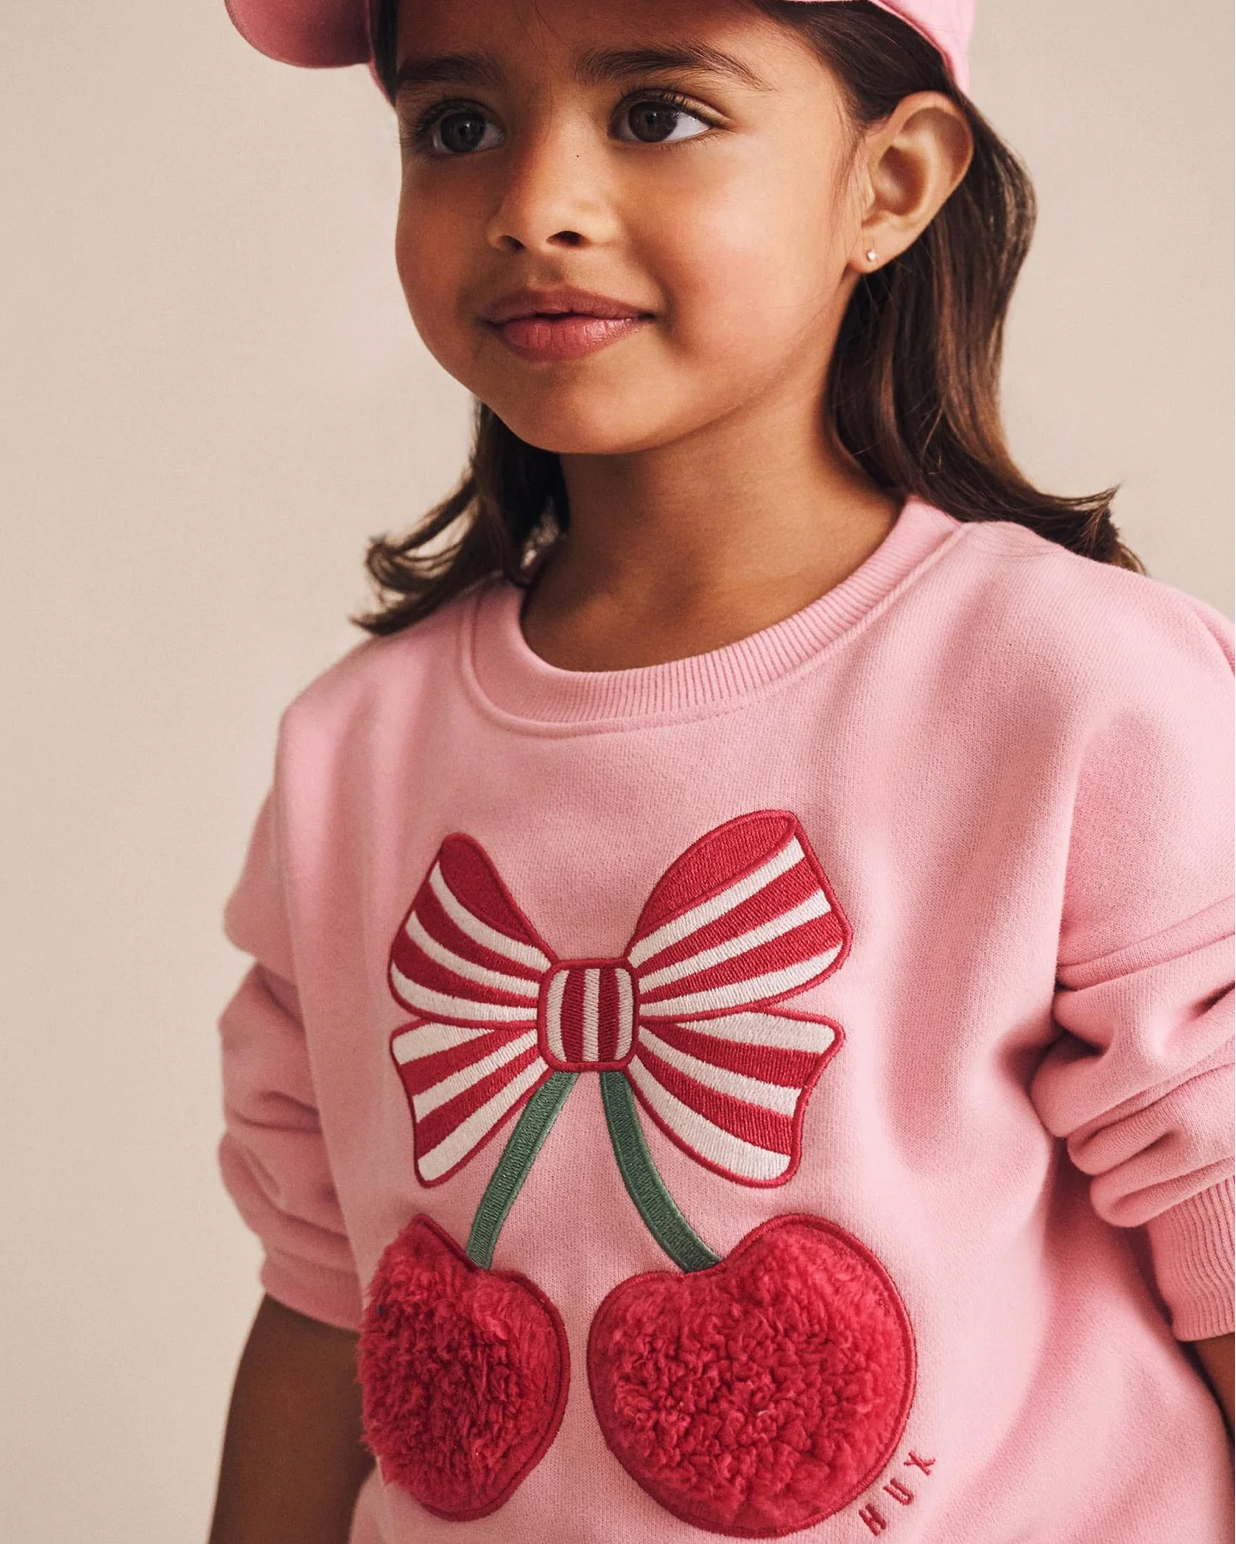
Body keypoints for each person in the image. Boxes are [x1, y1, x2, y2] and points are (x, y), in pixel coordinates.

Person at [207, 1, 1235, 1541]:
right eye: (457, 125)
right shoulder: (352, 747)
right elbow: (319, 1307)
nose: (535, 203)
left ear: (890, 186)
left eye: (659, 113)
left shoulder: (1074, 685)